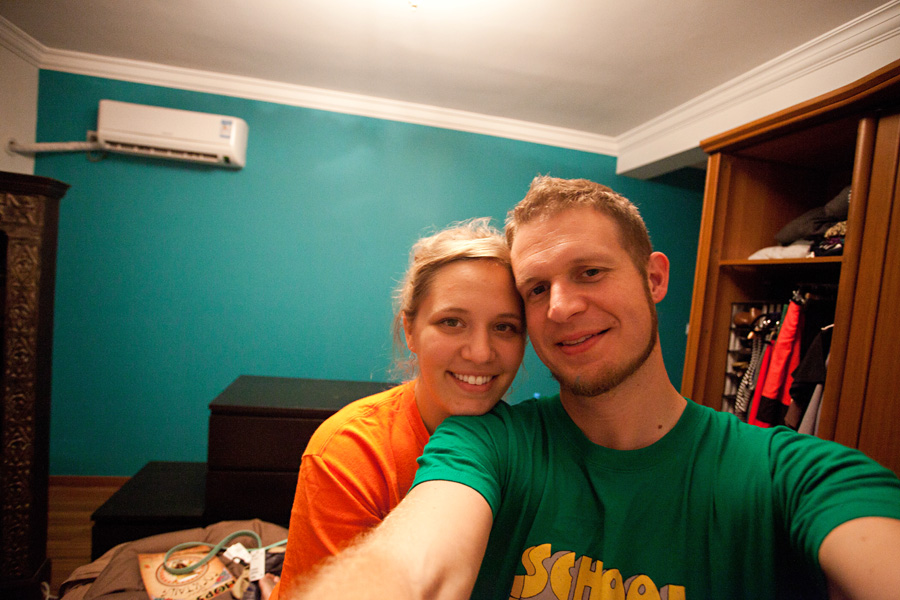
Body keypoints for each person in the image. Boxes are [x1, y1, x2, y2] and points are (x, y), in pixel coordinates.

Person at [290, 177, 900, 600]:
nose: (561, 307)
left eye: (590, 272)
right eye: (536, 289)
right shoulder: (486, 444)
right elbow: (416, 562)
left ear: (654, 278)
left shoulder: (792, 475)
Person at [273, 217, 526, 599]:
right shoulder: (350, 452)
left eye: (504, 327)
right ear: (410, 330)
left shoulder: (531, 449)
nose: (480, 352)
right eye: (452, 322)